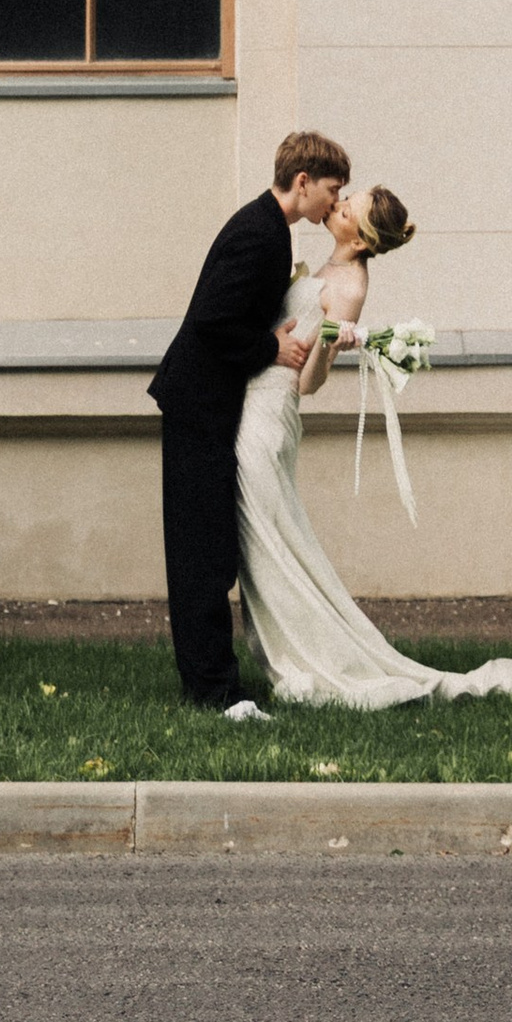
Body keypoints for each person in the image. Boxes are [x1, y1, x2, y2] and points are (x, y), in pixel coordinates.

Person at [235, 183, 512, 709]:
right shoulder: (320, 267)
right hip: (249, 402)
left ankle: (315, 658)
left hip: (268, 413)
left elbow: (307, 384)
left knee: (272, 547)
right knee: (268, 544)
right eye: (343, 198)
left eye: (348, 208)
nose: (338, 204)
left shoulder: (351, 283)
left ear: (361, 236)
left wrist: (330, 345)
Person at [151, 130, 346, 713]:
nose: (336, 202)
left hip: (208, 405)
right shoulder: (261, 235)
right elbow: (213, 321)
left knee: (208, 551)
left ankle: (212, 683)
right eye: (333, 190)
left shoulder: (266, 229)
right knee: (201, 555)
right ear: (303, 181)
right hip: (198, 406)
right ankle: (214, 691)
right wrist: (270, 348)